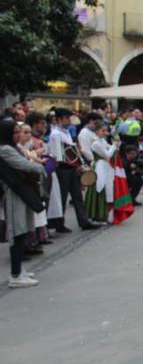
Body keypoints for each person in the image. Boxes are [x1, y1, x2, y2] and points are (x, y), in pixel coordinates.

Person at [0, 119, 46, 287]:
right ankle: (15, 274)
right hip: (14, 193)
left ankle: (19, 269)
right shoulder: (4, 149)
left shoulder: (12, 147)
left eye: (19, 131)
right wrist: (41, 167)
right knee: (17, 231)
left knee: (24, 230)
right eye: (15, 132)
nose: (19, 135)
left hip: (22, 192)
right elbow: (24, 165)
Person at [46, 108, 100, 231]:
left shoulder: (66, 132)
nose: (70, 120)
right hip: (63, 168)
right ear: (59, 119)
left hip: (71, 167)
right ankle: (59, 223)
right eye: (67, 118)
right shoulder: (55, 134)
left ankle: (84, 221)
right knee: (63, 196)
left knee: (77, 196)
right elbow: (58, 155)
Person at [84, 123, 116, 223]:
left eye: (105, 130)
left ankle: (105, 215)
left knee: (107, 188)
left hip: (105, 167)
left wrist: (115, 144)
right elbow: (107, 155)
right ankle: (96, 215)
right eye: (103, 130)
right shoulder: (95, 143)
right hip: (99, 167)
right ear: (97, 131)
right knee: (99, 188)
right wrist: (115, 145)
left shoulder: (102, 141)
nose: (105, 133)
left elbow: (109, 148)